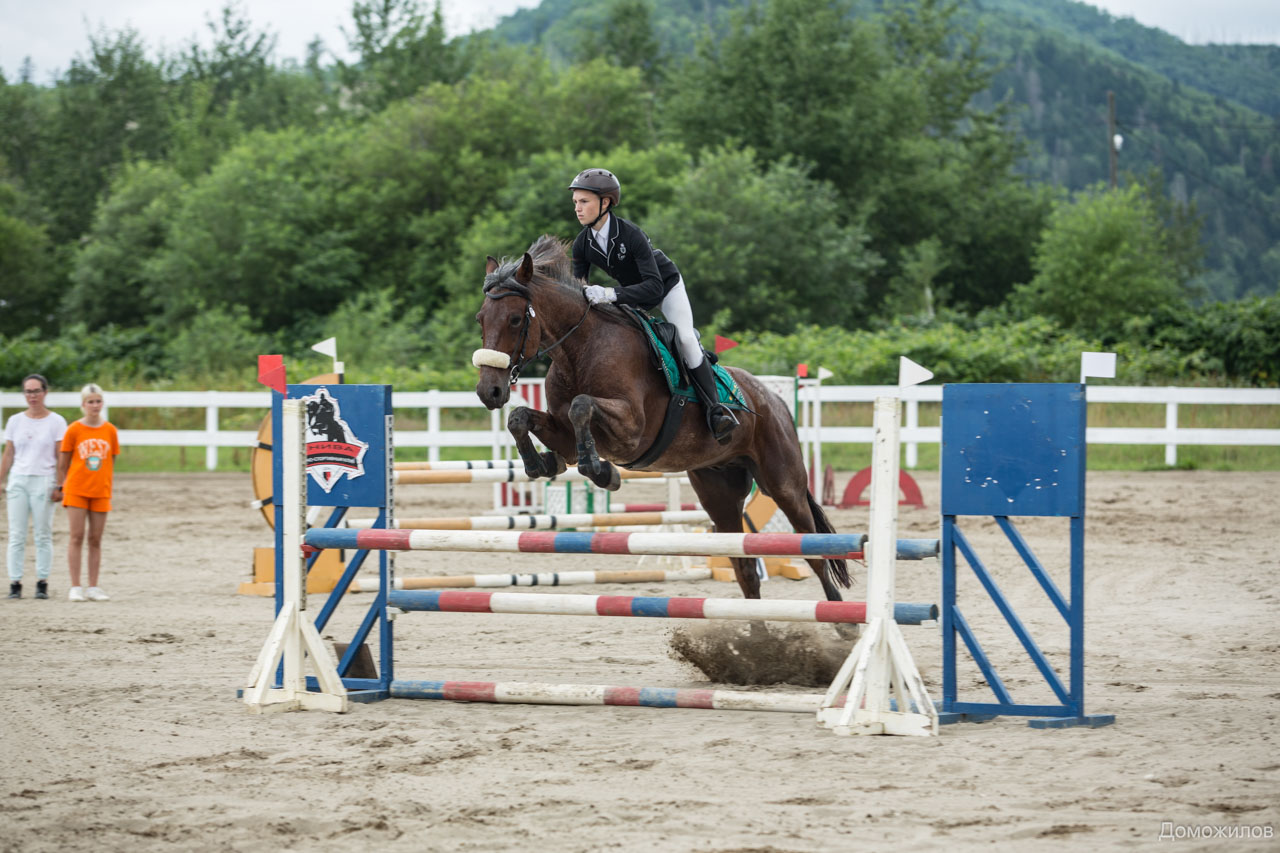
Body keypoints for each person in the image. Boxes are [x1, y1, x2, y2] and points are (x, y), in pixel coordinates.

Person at [568, 168, 739, 444]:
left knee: (684, 338)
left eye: (584, 201)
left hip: (665, 287)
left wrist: (610, 294)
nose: (578, 208)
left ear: (606, 202)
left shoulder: (630, 234)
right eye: (575, 202)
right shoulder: (582, 245)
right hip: (633, 297)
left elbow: (654, 287)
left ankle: (716, 411)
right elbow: (579, 289)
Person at [3, 374, 68, 600]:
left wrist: (60, 484)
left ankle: (42, 581)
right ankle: (15, 581)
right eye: (28, 392)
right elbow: (9, 453)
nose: (32, 396)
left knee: (42, 533)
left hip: (44, 478)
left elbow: (60, 456)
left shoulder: (56, 422)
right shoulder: (15, 421)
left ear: (45, 392)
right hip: (19, 479)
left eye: (36, 391)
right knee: (17, 534)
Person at [57, 384, 119, 602]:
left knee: (95, 539)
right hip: (76, 490)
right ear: (83, 405)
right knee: (76, 536)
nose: (95, 405)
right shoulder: (74, 429)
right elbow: (63, 463)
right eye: (90, 401)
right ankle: (75, 586)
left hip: (101, 491)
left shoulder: (110, 430)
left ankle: (93, 586)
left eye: (98, 401)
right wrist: (62, 486)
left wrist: (106, 484)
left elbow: (111, 461)